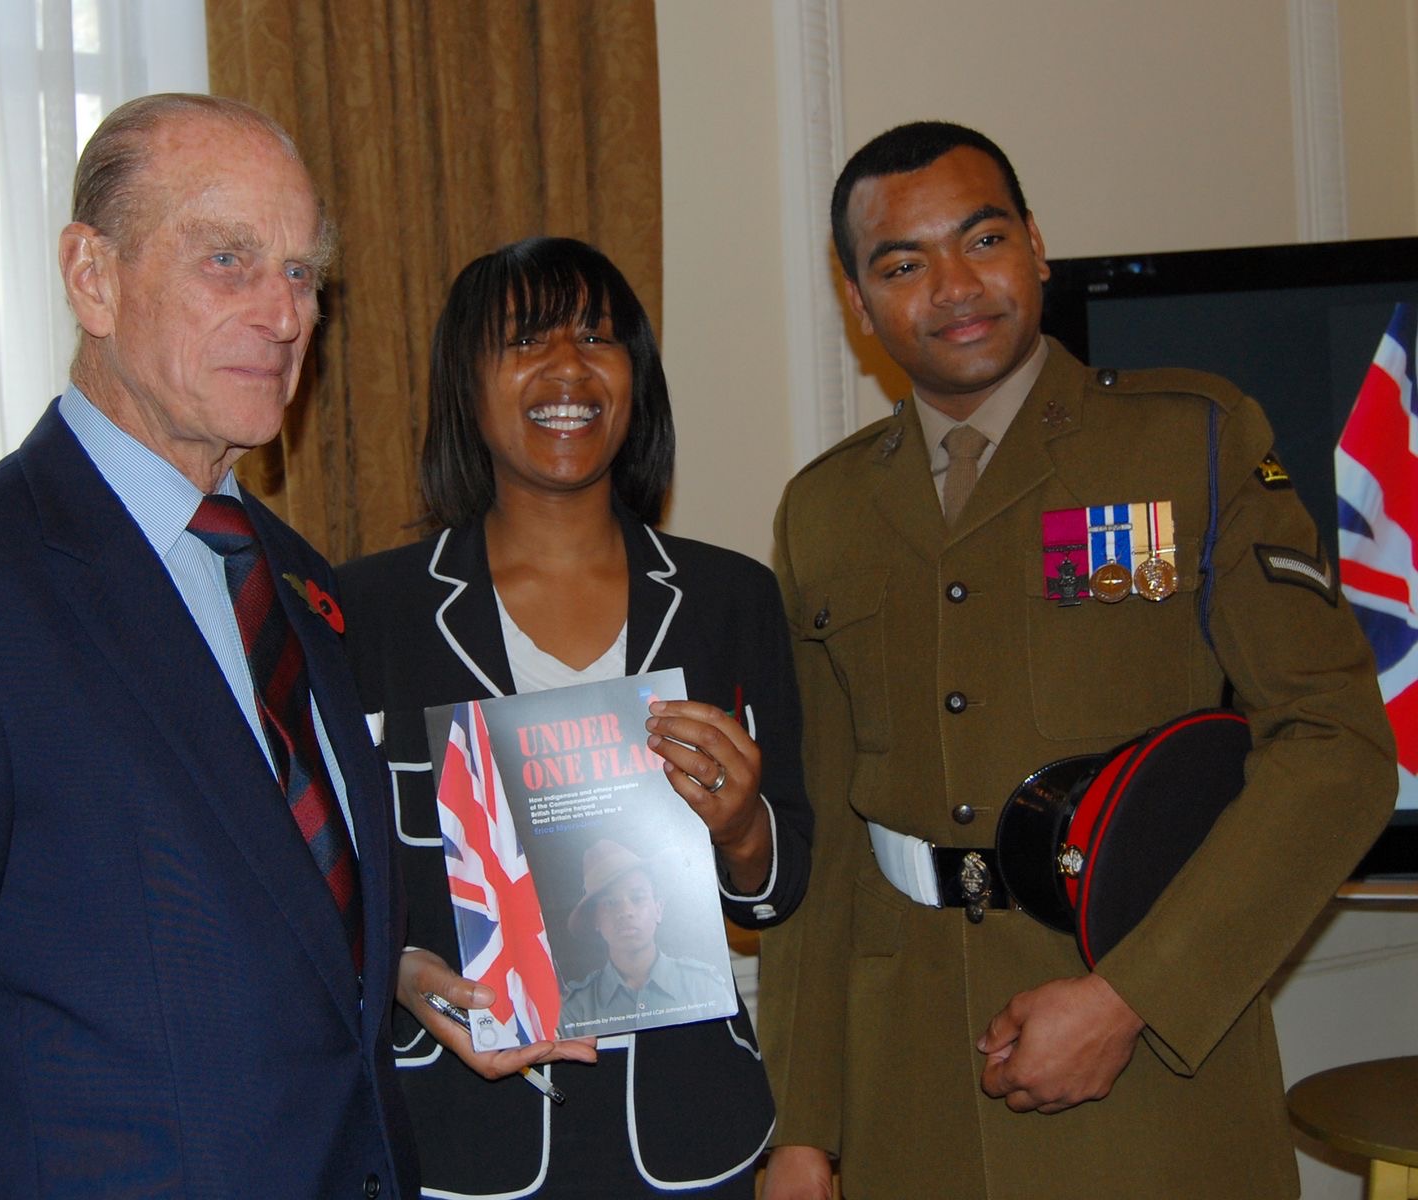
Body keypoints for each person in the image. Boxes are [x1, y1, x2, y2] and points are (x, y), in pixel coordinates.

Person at [756, 121, 1397, 1200]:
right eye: (902, 265)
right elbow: (823, 835)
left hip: (1147, 1077)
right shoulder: (824, 511)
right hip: (910, 1090)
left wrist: (1130, 998)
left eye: (984, 240)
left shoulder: (1187, 439)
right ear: (859, 306)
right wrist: (804, 1129)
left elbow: (1337, 746)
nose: (954, 287)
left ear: (1037, 247)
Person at [0, 94, 417, 1198]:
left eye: (301, 273)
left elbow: (291, 943)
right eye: (228, 260)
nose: (284, 315)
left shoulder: (299, 584)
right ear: (91, 277)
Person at [337, 236, 813, 1199]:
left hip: (691, 1136)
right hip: (461, 1141)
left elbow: (780, 889)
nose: (568, 368)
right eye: (524, 341)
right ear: (465, 386)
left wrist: (743, 830)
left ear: (638, 378)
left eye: (598, 337)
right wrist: (398, 971)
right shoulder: (366, 615)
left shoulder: (731, 599)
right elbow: (323, 880)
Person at [559, 839, 736, 1032]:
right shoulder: (576, 1008)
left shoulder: (703, 986)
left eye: (637, 898)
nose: (626, 912)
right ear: (595, 920)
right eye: (610, 903)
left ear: (658, 909)